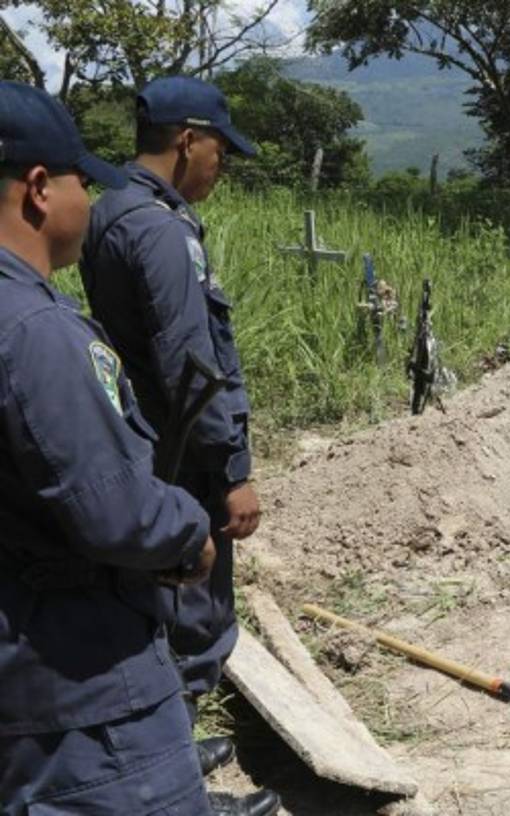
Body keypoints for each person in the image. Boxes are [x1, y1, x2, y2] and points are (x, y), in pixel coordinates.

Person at [0, 80, 217, 815]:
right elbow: (114, 512)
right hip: (87, 699)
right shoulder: (36, 334)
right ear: (38, 190)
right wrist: (190, 529)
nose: (88, 204)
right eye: (80, 182)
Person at [79, 77, 279, 815]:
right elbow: (191, 364)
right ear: (188, 140)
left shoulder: (110, 212)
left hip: (144, 444)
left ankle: (170, 756)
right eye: (219, 150)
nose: (220, 167)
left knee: (155, 608)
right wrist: (231, 471)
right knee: (196, 622)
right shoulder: (163, 231)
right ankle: (178, 794)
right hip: (185, 456)